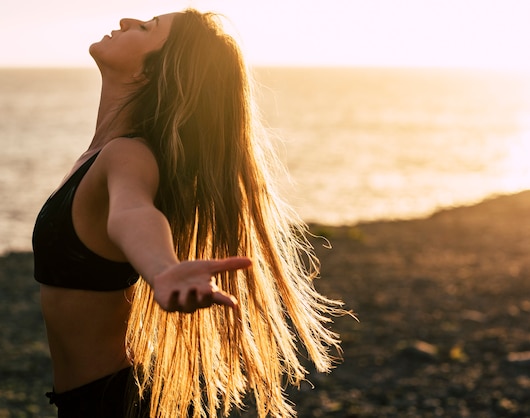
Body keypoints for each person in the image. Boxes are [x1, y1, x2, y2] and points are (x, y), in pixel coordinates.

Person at [32, 8, 345, 418]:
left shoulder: (126, 155)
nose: (127, 20)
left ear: (151, 72)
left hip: (112, 406)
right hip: (93, 401)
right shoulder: (100, 155)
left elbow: (132, 212)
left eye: (146, 28)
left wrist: (162, 269)